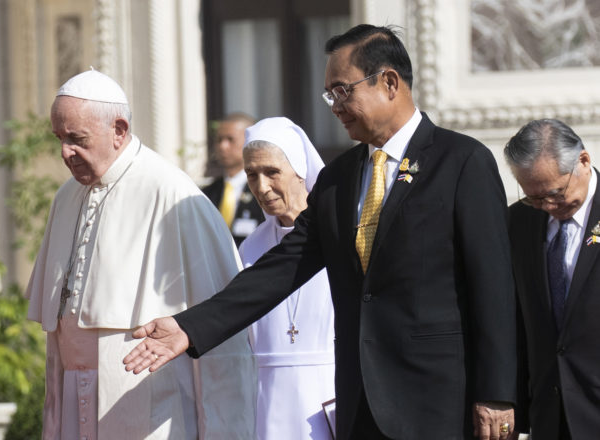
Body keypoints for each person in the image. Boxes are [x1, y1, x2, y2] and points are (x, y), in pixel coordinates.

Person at [124, 24, 518, 440]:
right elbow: (281, 267)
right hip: (359, 401)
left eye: (342, 91)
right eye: (329, 95)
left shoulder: (460, 161)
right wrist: (190, 326)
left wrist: (496, 392)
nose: (334, 105)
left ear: (389, 82)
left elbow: (492, 286)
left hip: (439, 400)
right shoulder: (340, 178)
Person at [25, 69, 256, 439]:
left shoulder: (173, 195)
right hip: (73, 405)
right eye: (60, 139)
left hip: (152, 414)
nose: (65, 153)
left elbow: (222, 336)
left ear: (119, 129)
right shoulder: (66, 196)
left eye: (77, 139)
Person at [240, 117, 335, 439]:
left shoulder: (339, 235)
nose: (261, 187)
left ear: (301, 170)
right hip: (266, 401)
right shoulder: (250, 247)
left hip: (331, 393)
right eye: (251, 175)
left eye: (271, 172)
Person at [505, 119, 600, 440]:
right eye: (533, 197)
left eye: (555, 193)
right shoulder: (517, 222)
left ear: (583, 162)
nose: (546, 206)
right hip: (550, 415)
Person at [202, 113, 265, 246]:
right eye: (219, 140)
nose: (222, 146)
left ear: (250, 141)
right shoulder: (206, 193)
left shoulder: (264, 189)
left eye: (230, 139)